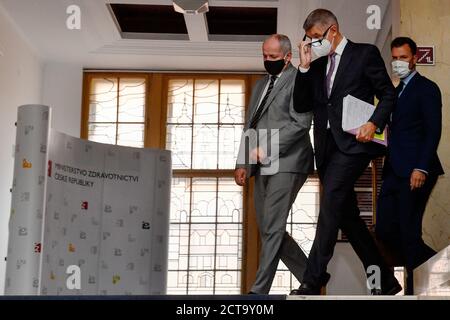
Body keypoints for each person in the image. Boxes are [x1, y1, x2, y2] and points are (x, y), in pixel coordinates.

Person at [291, 9, 401, 295]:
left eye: (316, 37)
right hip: (326, 149)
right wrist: (303, 67)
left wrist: (374, 122)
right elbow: (302, 105)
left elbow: (388, 94)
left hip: (354, 146)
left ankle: (313, 278)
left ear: (333, 30)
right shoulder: (315, 66)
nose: (313, 43)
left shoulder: (364, 54)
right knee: (347, 217)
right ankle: (386, 282)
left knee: (329, 207)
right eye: (310, 39)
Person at [234, 34, 314, 294]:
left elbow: (300, 124)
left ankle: (259, 291)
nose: (267, 61)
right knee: (268, 226)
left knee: (272, 227)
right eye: (264, 56)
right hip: (260, 163)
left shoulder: (298, 79)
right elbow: (251, 126)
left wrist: (265, 149)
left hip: (289, 160)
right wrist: (243, 162)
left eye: (273, 57)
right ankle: (311, 275)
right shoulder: (260, 85)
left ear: (288, 57)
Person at [376, 37, 444, 295]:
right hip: (392, 170)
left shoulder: (427, 88)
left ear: (414, 58)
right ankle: (441, 271)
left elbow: (432, 131)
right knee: (384, 229)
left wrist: (421, 168)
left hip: (416, 170)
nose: (398, 62)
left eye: (403, 57)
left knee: (408, 233)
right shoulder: (393, 92)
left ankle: (434, 280)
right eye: (394, 57)